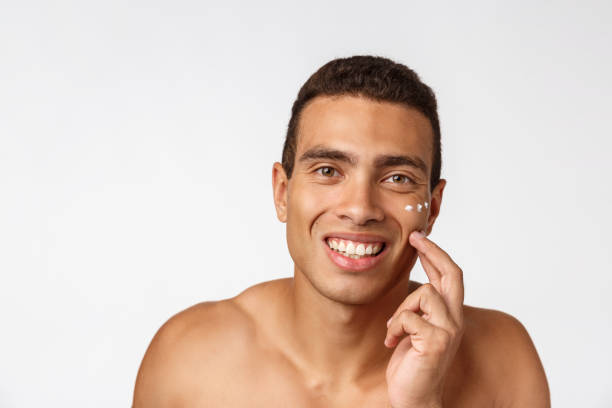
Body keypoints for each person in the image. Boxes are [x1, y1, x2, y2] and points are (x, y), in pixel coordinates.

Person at [132, 55, 550, 407]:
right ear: (282, 192)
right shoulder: (189, 357)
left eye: (398, 178)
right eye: (328, 170)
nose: (360, 208)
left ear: (433, 207)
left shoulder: (502, 361)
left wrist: (422, 404)